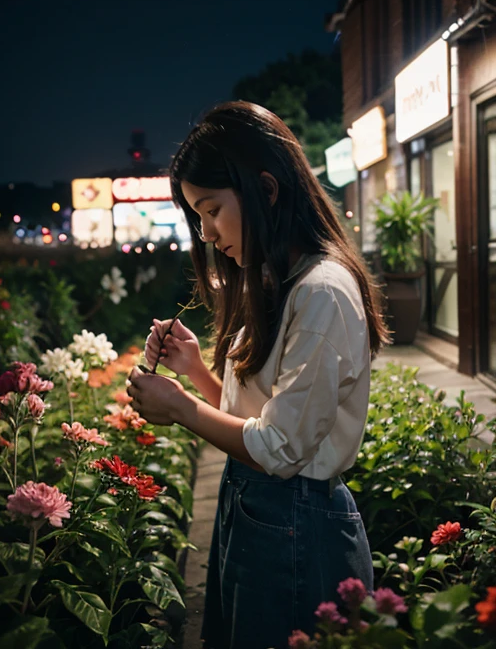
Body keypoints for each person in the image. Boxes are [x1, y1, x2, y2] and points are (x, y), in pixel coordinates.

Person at [128, 101, 389, 649]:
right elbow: (259, 419)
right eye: (197, 216)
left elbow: (282, 447)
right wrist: (196, 370)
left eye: (212, 209)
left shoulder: (321, 290)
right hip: (262, 515)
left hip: (297, 524)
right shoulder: (283, 279)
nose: (206, 233)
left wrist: (180, 408)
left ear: (266, 190)